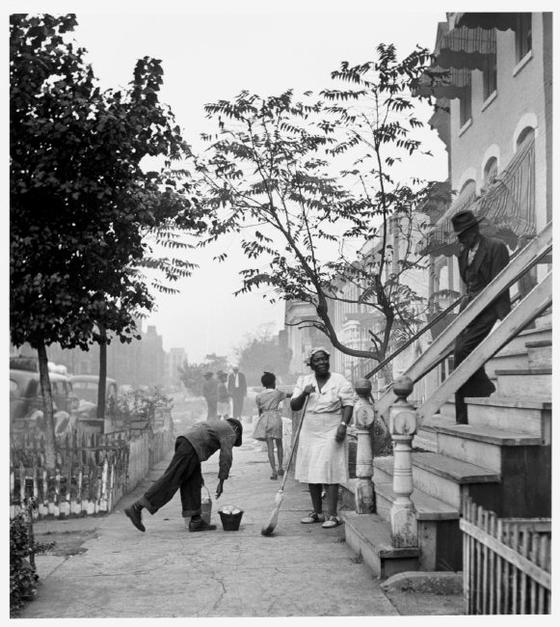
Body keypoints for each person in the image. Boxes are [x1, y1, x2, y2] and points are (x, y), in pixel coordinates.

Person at [124, 418, 243, 533]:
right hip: (191, 446)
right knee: (171, 479)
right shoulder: (230, 431)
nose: (233, 442)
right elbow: (226, 456)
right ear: (236, 429)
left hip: (188, 443)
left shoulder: (218, 424)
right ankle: (137, 507)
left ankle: (196, 520)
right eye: (235, 440)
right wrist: (221, 481)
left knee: (193, 482)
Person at [452, 210, 511, 424]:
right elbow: (468, 283)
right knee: (459, 353)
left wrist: (503, 316)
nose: (461, 240)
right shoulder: (462, 254)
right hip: (469, 310)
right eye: (458, 236)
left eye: (463, 235)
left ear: (474, 231)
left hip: (490, 308)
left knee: (463, 351)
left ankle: (466, 411)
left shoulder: (496, 247)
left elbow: (500, 283)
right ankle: (479, 393)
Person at [290, 347, 354, 529]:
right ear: (311, 364)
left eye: (324, 359)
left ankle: (333, 515)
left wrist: (343, 425)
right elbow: (294, 405)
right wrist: (304, 393)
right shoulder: (304, 381)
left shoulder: (339, 380)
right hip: (310, 428)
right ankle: (317, 512)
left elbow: (348, 404)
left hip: (332, 427)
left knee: (330, 468)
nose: (322, 363)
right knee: (312, 469)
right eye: (317, 360)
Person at [252, 371, 287, 480]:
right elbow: (289, 395)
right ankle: (280, 467)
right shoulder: (277, 393)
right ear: (273, 382)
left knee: (270, 447)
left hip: (265, 419)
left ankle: (273, 471)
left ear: (263, 384)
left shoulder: (259, 396)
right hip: (276, 418)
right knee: (279, 444)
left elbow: (260, 411)